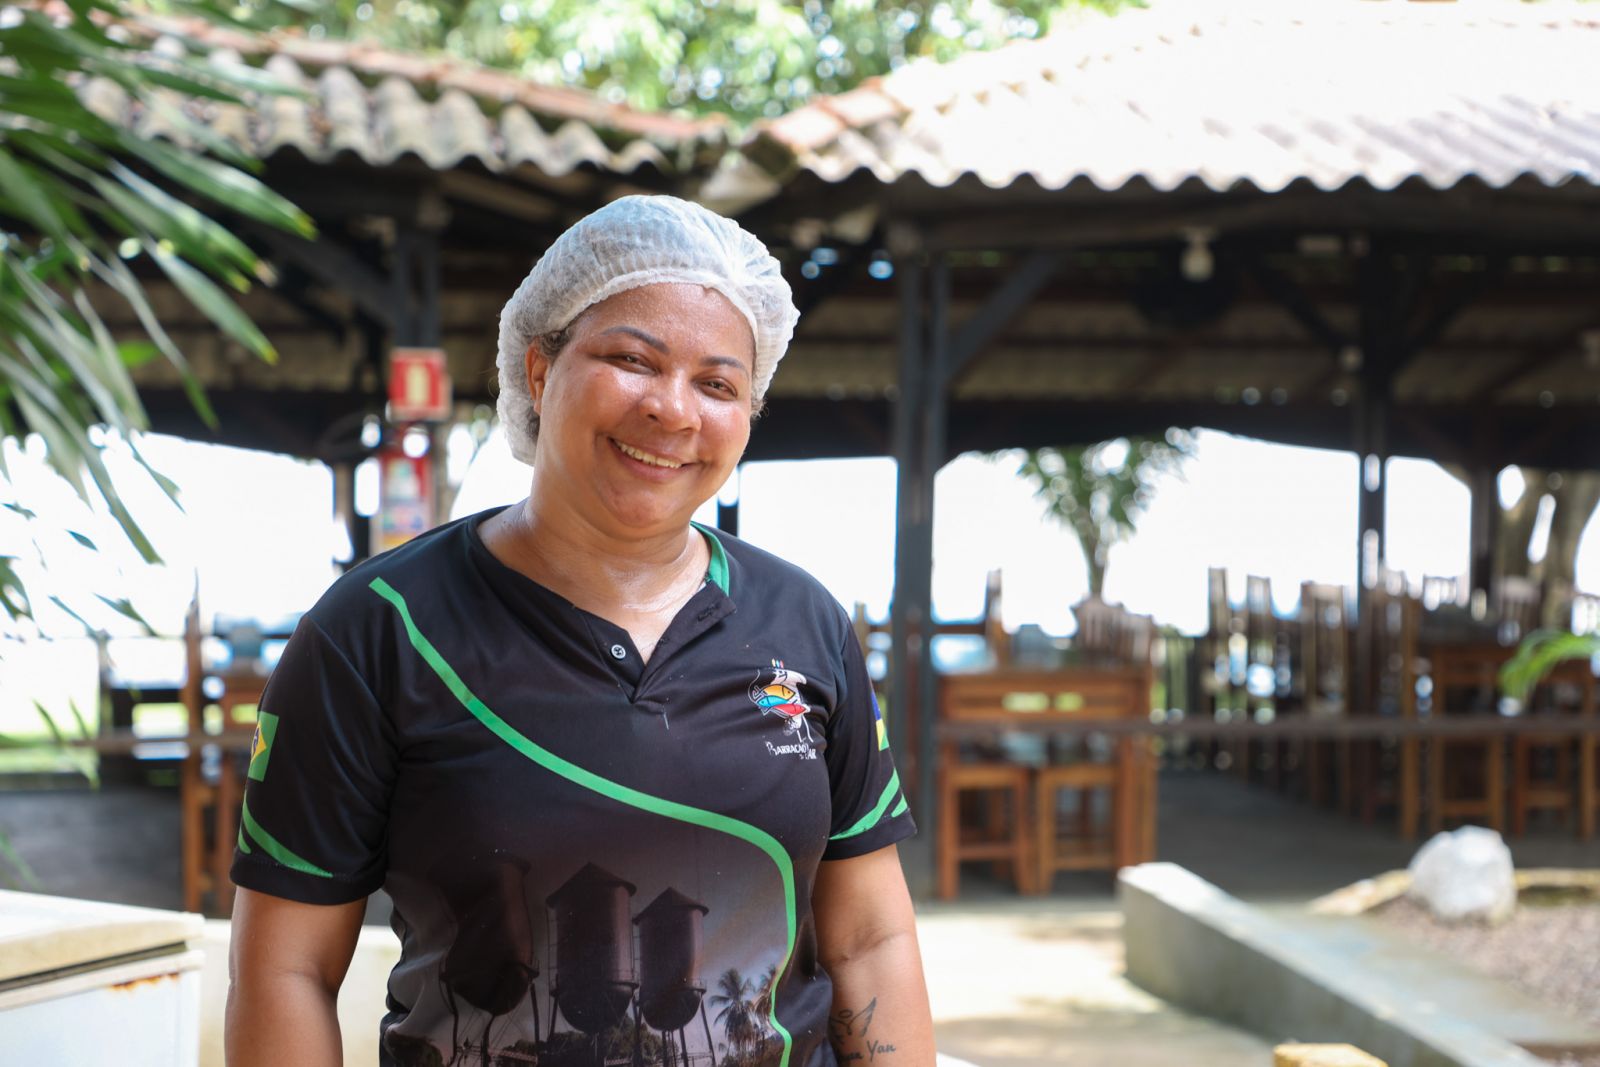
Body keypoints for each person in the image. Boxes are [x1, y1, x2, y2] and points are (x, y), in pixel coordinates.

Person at [226, 195, 933, 1067]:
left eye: (717, 384)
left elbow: (870, 939)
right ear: (538, 367)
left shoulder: (805, 622)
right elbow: (286, 969)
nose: (673, 410)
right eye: (633, 360)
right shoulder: (378, 632)